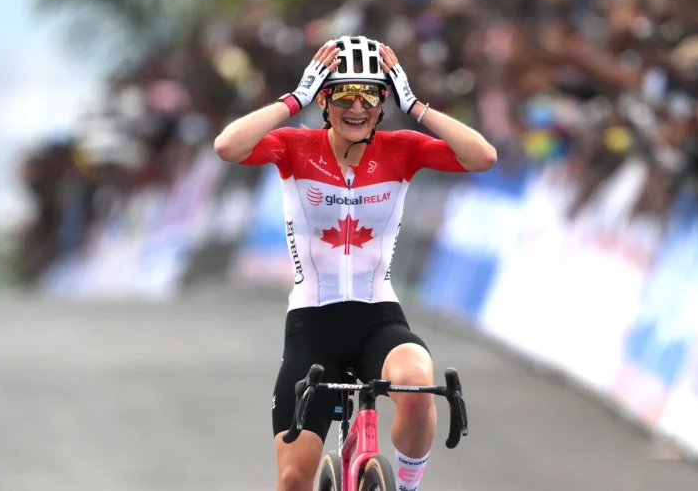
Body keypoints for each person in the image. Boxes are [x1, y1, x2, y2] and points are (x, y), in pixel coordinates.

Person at [213, 35, 496, 491]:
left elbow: (483, 157)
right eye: (344, 95)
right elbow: (228, 146)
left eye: (369, 95)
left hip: (377, 317)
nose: (357, 107)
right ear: (325, 100)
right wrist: (294, 98)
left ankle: (404, 487)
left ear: (383, 102)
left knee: (418, 386)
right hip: (313, 326)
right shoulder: (293, 147)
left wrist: (417, 105)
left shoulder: (402, 149)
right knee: (292, 480)